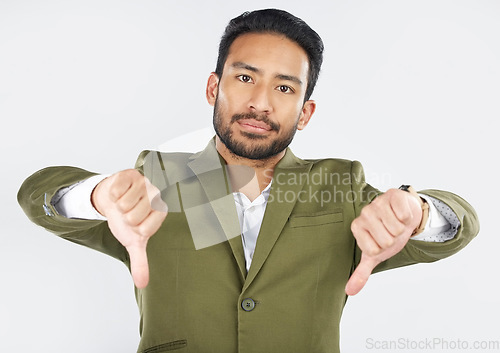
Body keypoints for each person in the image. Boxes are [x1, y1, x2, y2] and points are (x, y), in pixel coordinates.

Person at [18, 8, 479, 353]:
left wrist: (417, 213)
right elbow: (38, 193)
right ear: (213, 88)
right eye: (245, 77)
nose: (261, 102)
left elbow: (459, 226)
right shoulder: (159, 181)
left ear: (306, 112)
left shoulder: (341, 188)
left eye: (284, 88)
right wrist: (97, 196)